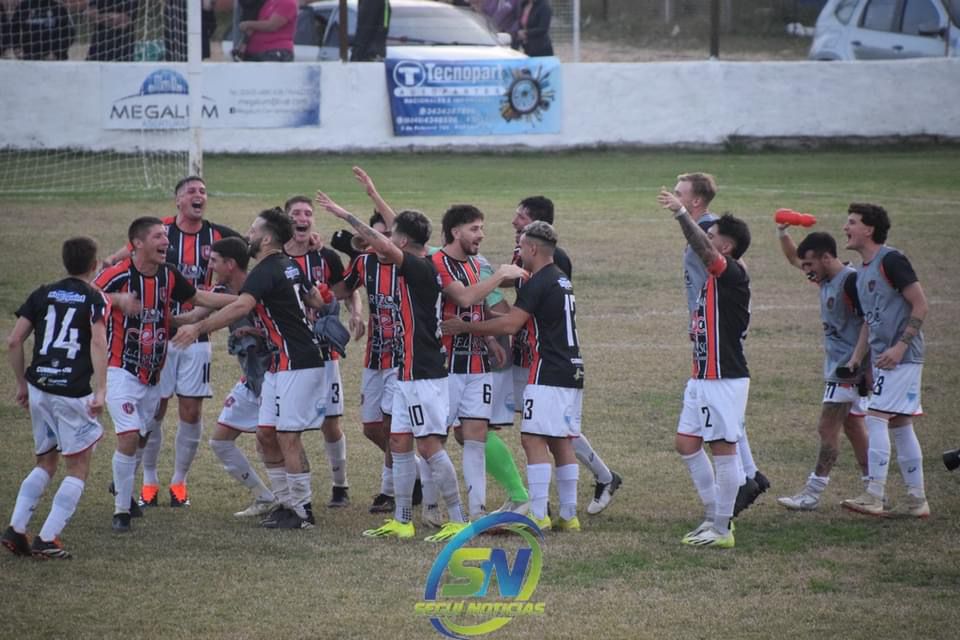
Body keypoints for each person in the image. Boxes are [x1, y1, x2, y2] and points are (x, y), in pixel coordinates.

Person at [316, 191, 470, 543]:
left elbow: (381, 246)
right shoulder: (414, 260)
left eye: (391, 235)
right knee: (399, 441)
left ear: (400, 240)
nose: (385, 240)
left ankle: (459, 520)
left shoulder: (419, 267)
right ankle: (403, 520)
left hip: (424, 372)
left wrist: (344, 214)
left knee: (429, 446)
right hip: (405, 370)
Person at [173, 208, 333, 530]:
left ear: (267, 237)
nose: (249, 234)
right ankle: (285, 503)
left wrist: (199, 328)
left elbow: (242, 306)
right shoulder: (289, 266)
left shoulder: (266, 270)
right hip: (280, 363)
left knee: (288, 436)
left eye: (253, 229)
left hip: (297, 362)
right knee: (265, 434)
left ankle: (302, 512)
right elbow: (316, 301)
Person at [105, 176, 243, 510]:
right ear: (177, 200)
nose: (199, 196)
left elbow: (246, 255)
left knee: (191, 410)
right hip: (157, 335)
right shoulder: (160, 232)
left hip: (198, 333)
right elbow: (116, 261)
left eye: (204, 191)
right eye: (191, 191)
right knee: (155, 410)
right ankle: (148, 481)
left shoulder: (219, 234)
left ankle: (179, 481)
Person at [442, 220, 583, 531]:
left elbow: (510, 325)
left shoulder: (538, 281)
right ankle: (569, 515)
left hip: (547, 369)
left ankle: (537, 514)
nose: (517, 252)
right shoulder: (560, 278)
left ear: (532, 248)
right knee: (561, 440)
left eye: (520, 247)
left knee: (532, 438)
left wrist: (466, 326)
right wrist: (482, 316)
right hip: (571, 369)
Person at [509, 196, 622, 515]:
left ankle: (549, 503)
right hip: (533, 353)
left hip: (544, 357)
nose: (514, 221)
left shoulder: (552, 262)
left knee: (542, 430)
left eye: (520, 217)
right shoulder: (528, 253)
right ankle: (567, 506)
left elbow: (536, 301)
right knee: (545, 425)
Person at [657, 187, 753, 549]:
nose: (704, 241)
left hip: (723, 377)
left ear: (724, 249)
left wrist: (683, 213)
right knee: (686, 443)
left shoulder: (731, 275)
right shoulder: (714, 279)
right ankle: (713, 517)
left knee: (723, 450)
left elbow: (702, 248)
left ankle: (722, 528)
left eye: (712, 238)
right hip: (702, 377)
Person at [669, 172, 769, 514]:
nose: (673, 195)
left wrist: (681, 215)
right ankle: (734, 492)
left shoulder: (714, 245)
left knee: (723, 440)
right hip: (704, 360)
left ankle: (724, 517)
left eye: (680, 193)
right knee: (689, 441)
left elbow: (715, 256)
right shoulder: (717, 271)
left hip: (721, 366)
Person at [2, 237, 107, 559]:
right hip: (71, 392)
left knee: (46, 461)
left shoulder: (43, 293)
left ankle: (16, 528)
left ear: (65, 262)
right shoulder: (93, 298)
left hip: (39, 387)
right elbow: (98, 344)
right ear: (93, 266)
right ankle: (48, 538)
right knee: (77, 466)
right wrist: (101, 389)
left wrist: (22, 384)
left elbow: (14, 341)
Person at [432, 204, 531, 524]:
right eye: (474, 229)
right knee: (434, 438)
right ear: (455, 231)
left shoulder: (477, 265)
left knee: (475, 434)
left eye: (481, 228)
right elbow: (463, 298)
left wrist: (490, 338)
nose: (481, 235)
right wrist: (501, 274)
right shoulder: (438, 262)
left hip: (476, 365)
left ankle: (477, 512)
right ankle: (432, 508)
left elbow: (479, 308)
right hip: (444, 366)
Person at [172, 237, 279, 519]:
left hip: (276, 377)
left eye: (214, 261)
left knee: (278, 440)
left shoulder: (261, 284)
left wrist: (255, 333)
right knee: (220, 441)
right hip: (250, 380)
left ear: (230, 265)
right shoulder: (219, 289)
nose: (210, 266)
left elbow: (282, 324)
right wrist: (160, 317)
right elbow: (195, 314)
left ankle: (293, 503)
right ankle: (265, 497)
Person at [839, 203, 930, 518]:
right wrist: (856, 358)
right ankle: (917, 501)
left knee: (875, 417)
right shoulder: (863, 270)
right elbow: (869, 321)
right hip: (883, 359)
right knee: (901, 424)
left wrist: (901, 347)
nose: (845, 228)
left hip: (901, 358)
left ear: (869, 229)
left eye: (851, 222)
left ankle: (874, 494)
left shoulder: (891, 260)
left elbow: (920, 305)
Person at [775, 226, 869, 510]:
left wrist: (860, 364)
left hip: (847, 370)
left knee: (827, 426)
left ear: (827, 258)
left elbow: (871, 322)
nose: (805, 270)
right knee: (853, 426)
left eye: (810, 264)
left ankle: (813, 493)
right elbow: (794, 258)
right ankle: (874, 488)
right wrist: (782, 232)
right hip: (841, 368)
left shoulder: (851, 282)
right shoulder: (825, 278)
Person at [284, 194, 365, 509]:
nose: (302, 218)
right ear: (286, 219)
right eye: (296, 213)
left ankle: (340, 485)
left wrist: (356, 313)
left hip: (324, 352)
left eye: (307, 213)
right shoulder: (275, 257)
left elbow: (349, 288)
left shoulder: (326, 257)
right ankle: (294, 494)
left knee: (330, 421)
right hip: (288, 353)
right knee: (290, 425)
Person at [9, 0, 75, 60]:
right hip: (29, 57)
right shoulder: (23, 6)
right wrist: (16, 47)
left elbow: (69, 34)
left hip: (54, 59)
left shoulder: (59, 8)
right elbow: (13, 28)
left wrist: (57, 53)